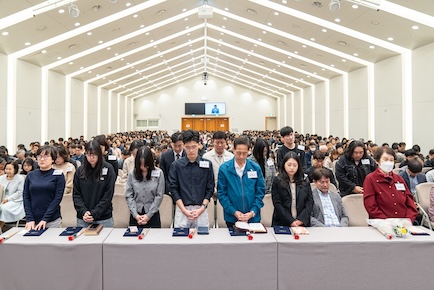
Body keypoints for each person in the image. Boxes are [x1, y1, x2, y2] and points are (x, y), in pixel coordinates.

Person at [169, 130, 214, 228]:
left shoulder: (207, 164)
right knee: (181, 240)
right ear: (184, 146)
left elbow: (210, 188)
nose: (191, 150)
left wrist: (202, 208)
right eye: (188, 147)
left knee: (202, 240)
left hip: (201, 209)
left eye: (194, 147)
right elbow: (173, 189)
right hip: (182, 209)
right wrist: (184, 210)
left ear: (199, 145)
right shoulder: (176, 165)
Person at [218, 136, 265, 227]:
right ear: (233, 149)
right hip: (232, 217)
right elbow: (222, 194)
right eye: (238, 153)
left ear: (249, 151)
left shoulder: (255, 168)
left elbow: (260, 192)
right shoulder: (224, 169)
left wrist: (253, 211)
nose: (241, 156)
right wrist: (234, 211)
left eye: (244, 153)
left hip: (253, 217)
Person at [363, 147, 418, 223]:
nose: (388, 162)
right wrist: (387, 222)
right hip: (381, 224)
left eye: (391, 160)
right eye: (385, 159)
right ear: (377, 161)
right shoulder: (370, 179)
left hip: (403, 224)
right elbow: (371, 206)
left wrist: (408, 220)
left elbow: (410, 203)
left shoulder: (399, 179)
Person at [73, 140, 116, 227]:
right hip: (84, 218)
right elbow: (76, 194)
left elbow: (108, 195)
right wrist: (84, 212)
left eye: (94, 154)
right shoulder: (80, 171)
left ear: (99, 155)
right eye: (89, 154)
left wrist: (94, 213)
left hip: (103, 218)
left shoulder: (108, 169)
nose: (91, 157)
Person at [23, 146, 65, 230]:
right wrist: (29, 218)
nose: (42, 159)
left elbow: (57, 198)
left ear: (53, 159)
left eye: (46, 157)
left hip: (52, 220)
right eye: (40, 156)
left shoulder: (58, 175)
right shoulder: (31, 175)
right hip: (33, 221)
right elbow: (26, 197)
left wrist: (45, 219)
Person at [125, 146, 164, 228]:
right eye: (140, 165)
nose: (143, 168)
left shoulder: (159, 173)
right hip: (136, 214)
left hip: (152, 214)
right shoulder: (132, 174)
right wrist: (135, 215)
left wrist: (148, 215)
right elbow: (129, 195)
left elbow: (159, 196)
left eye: (145, 165)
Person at [271, 152, 313, 227]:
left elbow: (309, 202)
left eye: (295, 165)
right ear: (284, 165)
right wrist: (290, 221)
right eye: (289, 165)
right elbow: (277, 203)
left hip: (302, 222)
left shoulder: (305, 180)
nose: (292, 168)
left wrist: (301, 220)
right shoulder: (277, 180)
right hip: (282, 222)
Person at [202, 131, 234, 196]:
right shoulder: (206, 157)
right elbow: (204, 175)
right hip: (210, 191)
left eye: (222, 143)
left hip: (227, 192)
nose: (219, 145)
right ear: (213, 142)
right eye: (217, 142)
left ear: (226, 142)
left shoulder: (231, 157)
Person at [0, 161, 26, 229]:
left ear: (15, 169)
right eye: (6, 169)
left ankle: (1, 227)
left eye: (10, 169)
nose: (7, 171)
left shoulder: (20, 178)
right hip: (2, 198)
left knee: (3, 208)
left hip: (15, 200)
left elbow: (20, 192)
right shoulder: (1, 178)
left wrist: (8, 199)